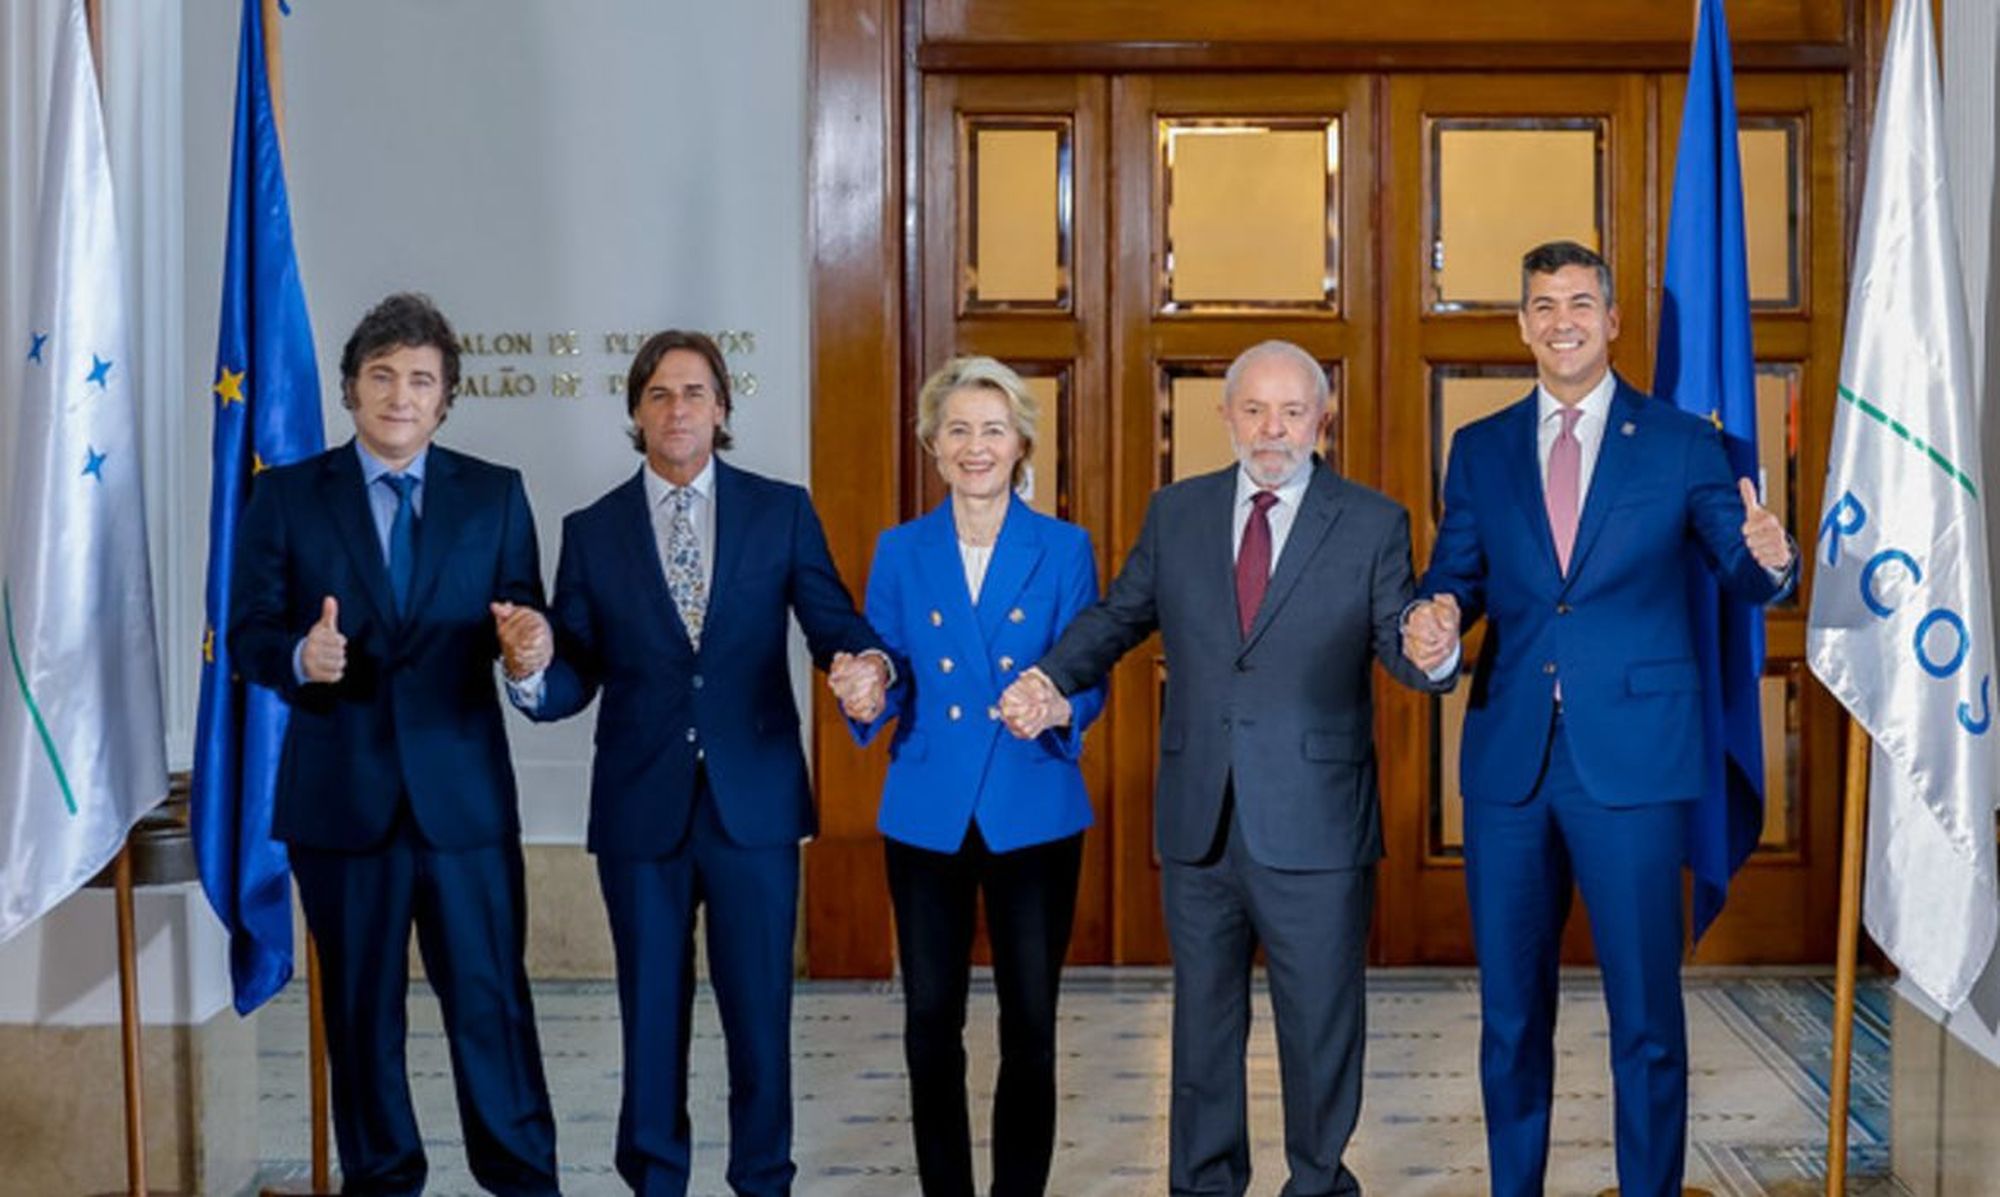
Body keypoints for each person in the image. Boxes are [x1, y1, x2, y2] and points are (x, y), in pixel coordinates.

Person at [1000, 340, 1447, 1197]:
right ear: (1226, 416)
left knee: (1320, 1025)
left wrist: (1430, 652)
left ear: (1323, 419)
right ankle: (1203, 1183)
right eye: (1254, 409)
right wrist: (1052, 676)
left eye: (1291, 411)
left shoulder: (1371, 521)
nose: (1272, 428)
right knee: (1203, 1026)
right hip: (1200, 817)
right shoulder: (1179, 513)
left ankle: (1317, 1181)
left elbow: (1402, 640)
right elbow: (1121, 613)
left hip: (1316, 820)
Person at [1403, 240, 1794, 1197]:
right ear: (1523, 324)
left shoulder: (1680, 442)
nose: (1562, 320)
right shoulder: (1482, 448)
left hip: (1635, 762)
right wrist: (1437, 627)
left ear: (1613, 321)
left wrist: (1770, 558)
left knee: (1647, 1020)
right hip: (1511, 764)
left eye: (1580, 302)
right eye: (1543, 305)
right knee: (1510, 1018)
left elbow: (1739, 571)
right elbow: (1455, 579)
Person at [496, 329, 890, 1197]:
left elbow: (836, 623)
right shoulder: (593, 531)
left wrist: (866, 665)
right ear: (637, 413)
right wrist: (529, 669)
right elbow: (577, 673)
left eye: (695, 392)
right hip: (642, 812)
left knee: (761, 1019)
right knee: (650, 1016)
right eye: (660, 395)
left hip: (754, 805)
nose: (679, 409)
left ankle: (764, 1179)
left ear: (723, 408)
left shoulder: (779, 510)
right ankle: (656, 1180)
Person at [228, 292, 559, 1196]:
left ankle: (525, 1178)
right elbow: (247, 628)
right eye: (382, 376)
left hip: (464, 806)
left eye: (421, 378)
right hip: (342, 806)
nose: (401, 395)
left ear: (446, 395)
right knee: (361, 1015)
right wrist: (302, 652)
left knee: (491, 1005)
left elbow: (525, 610)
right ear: (350, 389)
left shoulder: (494, 493)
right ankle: (382, 1181)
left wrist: (528, 642)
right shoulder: (289, 496)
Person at [838, 357, 1104, 1197]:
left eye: (993, 428)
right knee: (929, 1023)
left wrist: (1060, 703)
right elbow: (887, 660)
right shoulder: (900, 549)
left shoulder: (1063, 547)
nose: (975, 445)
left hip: (1032, 804)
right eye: (957, 429)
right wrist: (869, 683)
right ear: (933, 443)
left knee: (1030, 1022)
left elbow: (1086, 667)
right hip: (929, 806)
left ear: (1022, 442)